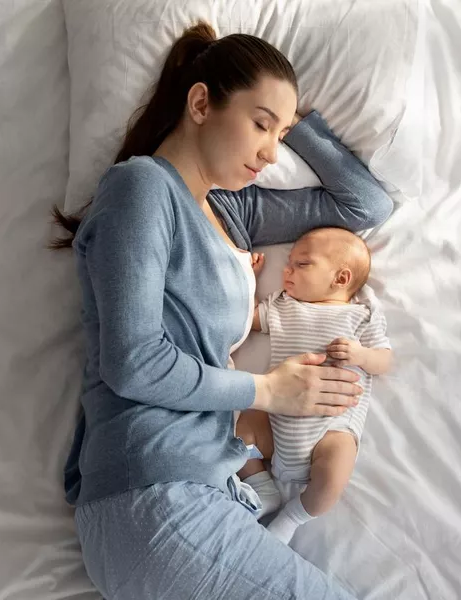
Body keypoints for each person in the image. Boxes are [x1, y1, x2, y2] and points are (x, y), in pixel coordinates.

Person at [50, 21, 392, 600]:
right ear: (201, 102)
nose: (271, 151)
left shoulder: (233, 212)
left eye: (279, 136)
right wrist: (267, 392)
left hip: (203, 488)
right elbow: (133, 363)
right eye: (260, 124)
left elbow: (364, 204)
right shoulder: (141, 188)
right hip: (153, 491)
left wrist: (293, 119)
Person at [237, 227, 392, 545]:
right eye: (289, 262)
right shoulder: (282, 305)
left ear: (341, 278)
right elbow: (247, 319)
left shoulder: (360, 316)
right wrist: (251, 282)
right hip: (276, 421)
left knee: (336, 470)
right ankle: (262, 485)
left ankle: (294, 515)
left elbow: (384, 360)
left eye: (302, 264)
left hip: (330, 429)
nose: (287, 270)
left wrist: (361, 355)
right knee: (244, 426)